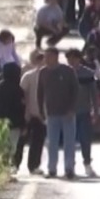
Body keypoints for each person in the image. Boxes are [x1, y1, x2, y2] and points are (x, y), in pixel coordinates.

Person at [37, 47, 79, 180]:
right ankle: (52, 168)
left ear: (56, 57)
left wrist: (72, 109)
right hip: (51, 113)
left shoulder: (67, 71)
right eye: (45, 57)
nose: (46, 60)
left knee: (69, 142)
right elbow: (40, 93)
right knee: (52, 142)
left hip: (67, 113)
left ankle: (69, 168)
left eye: (48, 56)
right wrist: (41, 111)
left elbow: (75, 91)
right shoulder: (43, 73)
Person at [66, 49, 100, 178]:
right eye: (69, 59)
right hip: (68, 113)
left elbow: (94, 94)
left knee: (86, 140)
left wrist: (95, 111)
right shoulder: (64, 73)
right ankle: (70, 166)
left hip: (84, 112)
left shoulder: (87, 74)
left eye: (74, 58)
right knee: (70, 141)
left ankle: (87, 164)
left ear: (79, 59)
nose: (71, 61)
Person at [0, 62, 25, 175]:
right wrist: (23, 125)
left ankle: (2, 170)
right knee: (12, 148)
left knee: (2, 147)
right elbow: (21, 108)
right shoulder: (18, 89)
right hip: (14, 124)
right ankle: (6, 171)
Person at [16, 50, 46, 175]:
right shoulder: (28, 76)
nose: (41, 61)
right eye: (39, 58)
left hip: (43, 115)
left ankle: (34, 166)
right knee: (21, 141)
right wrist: (25, 112)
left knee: (38, 142)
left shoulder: (48, 76)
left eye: (42, 58)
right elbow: (22, 95)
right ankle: (15, 164)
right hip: (29, 113)